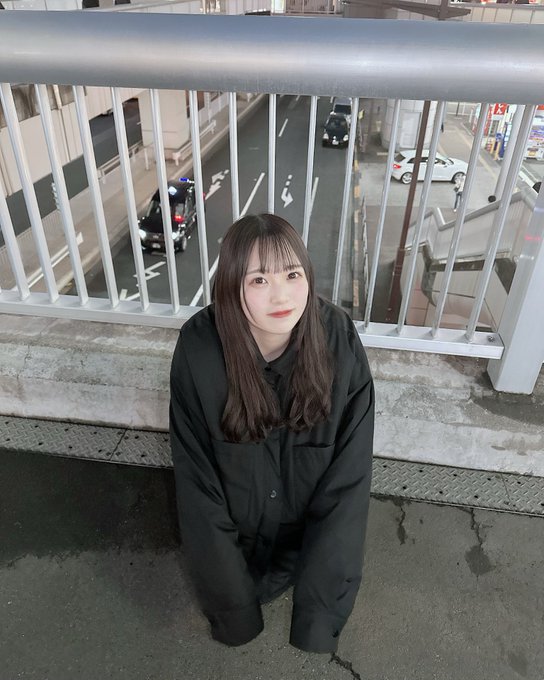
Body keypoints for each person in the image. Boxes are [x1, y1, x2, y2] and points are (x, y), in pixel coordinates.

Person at [169, 213, 374, 654]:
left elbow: (348, 487)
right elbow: (198, 489)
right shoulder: (199, 351)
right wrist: (234, 614)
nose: (281, 295)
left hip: (303, 550)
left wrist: (319, 620)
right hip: (238, 548)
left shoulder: (338, 340)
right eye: (259, 280)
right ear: (231, 287)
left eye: (292, 275)